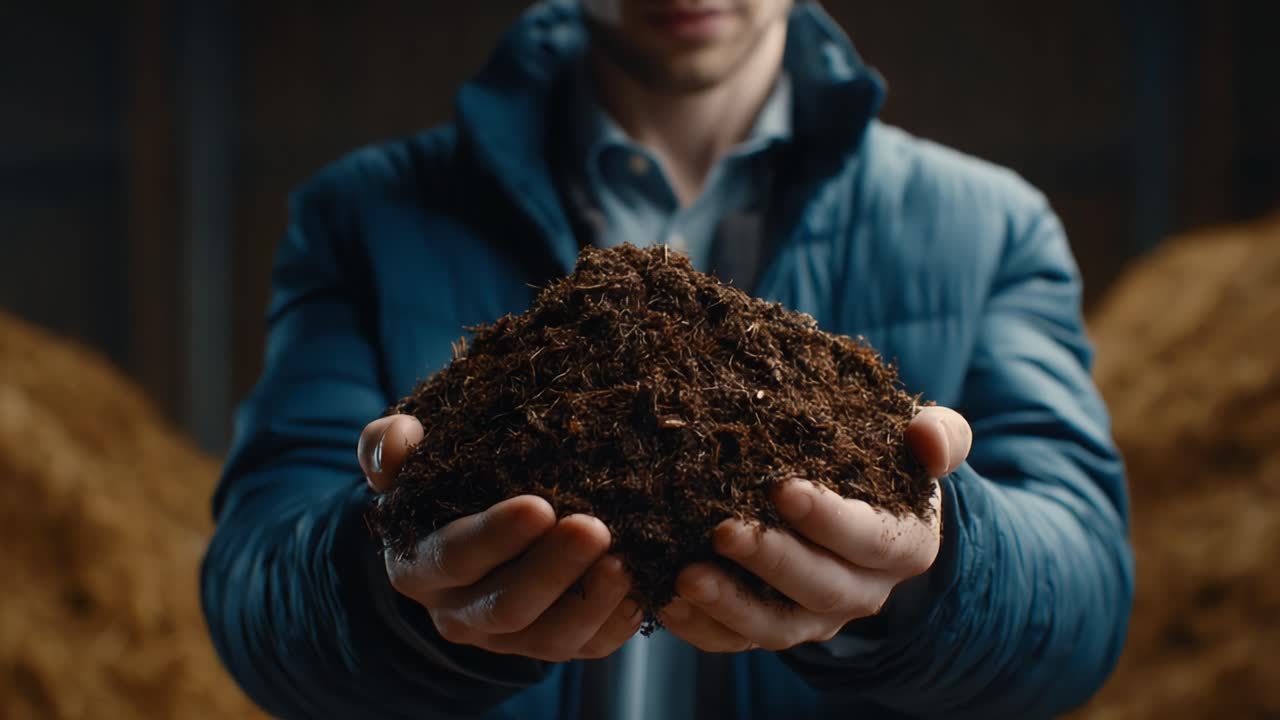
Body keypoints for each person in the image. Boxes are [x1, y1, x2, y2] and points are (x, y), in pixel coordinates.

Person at [201, 1, 1134, 718]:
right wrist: (396, 587)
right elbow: (254, 595)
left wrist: (935, 569)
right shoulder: (363, 219)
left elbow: (1085, 605)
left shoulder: (991, 226)